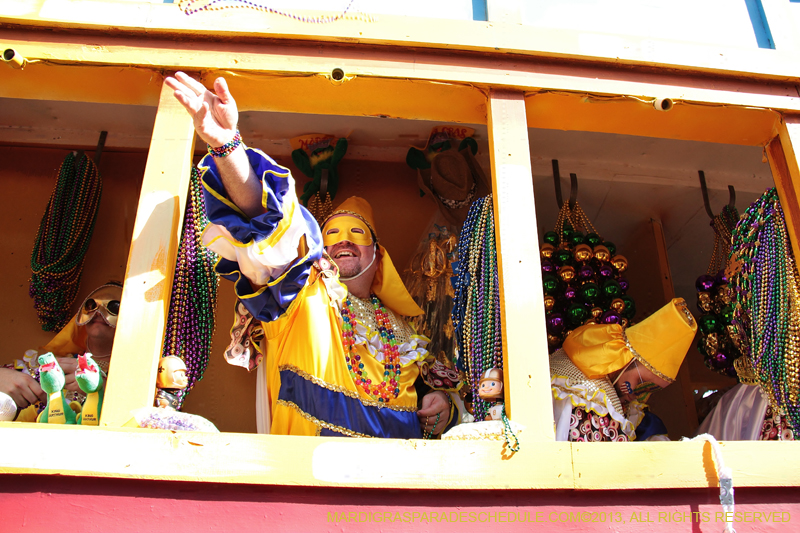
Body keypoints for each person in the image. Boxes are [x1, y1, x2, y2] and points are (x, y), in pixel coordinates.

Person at [165, 72, 456, 438]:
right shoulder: (302, 292)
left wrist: (442, 406)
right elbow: (266, 225)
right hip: (312, 476)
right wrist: (227, 147)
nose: (341, 243)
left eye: (357, 234)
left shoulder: (406, 332)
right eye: (331, 235)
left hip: (397, 481)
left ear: (378, 254)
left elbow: (440, 402)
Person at [550, 298, 697, 441]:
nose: (633, 397)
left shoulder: (564, 364)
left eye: (648, 390)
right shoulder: (592, 403)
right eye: (641, 383)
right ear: (627, 359)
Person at [0, 282, 122, 421]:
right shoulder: (54, 363)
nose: (98, 313)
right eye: (91, 305)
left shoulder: (136, 378)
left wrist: (103, 389)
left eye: (114, 307)